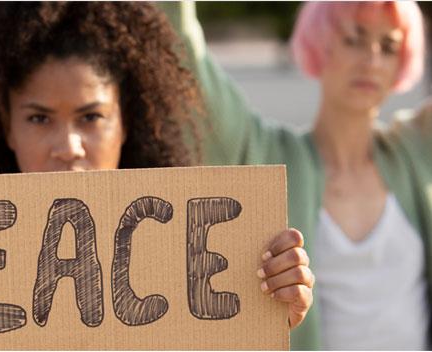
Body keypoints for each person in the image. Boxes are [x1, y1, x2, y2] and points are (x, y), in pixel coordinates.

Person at [0, 3, 315, 350]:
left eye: (91, 117)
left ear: (127, 123)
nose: (68, 146)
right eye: (39, 118)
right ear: (4, 127)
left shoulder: (200, 262)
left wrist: (270, 312)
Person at [165, 1, 430, 349]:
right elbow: (182, 50)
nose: (372, 60)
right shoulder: (267, 154)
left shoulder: (416, 148)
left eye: (389, 47)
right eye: (354, 39)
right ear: (319, 44)